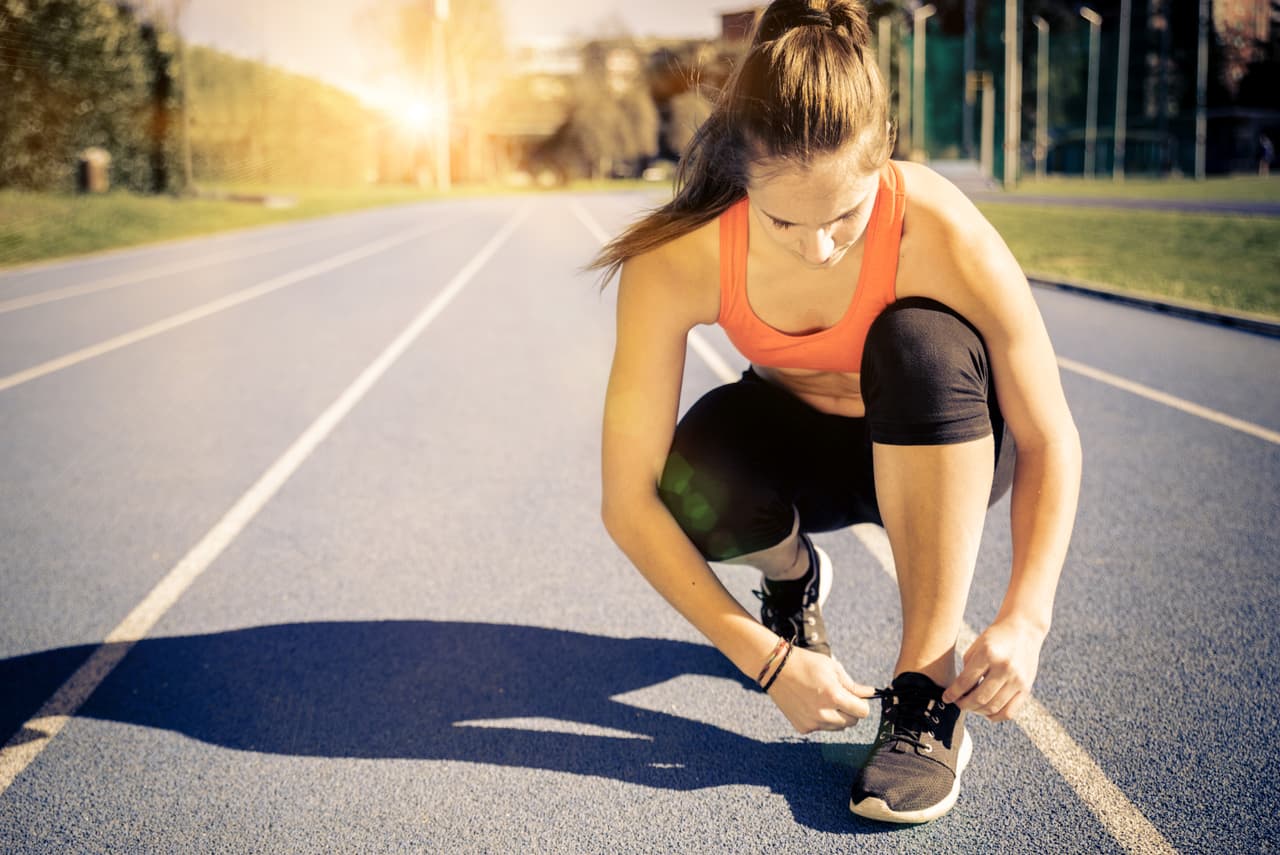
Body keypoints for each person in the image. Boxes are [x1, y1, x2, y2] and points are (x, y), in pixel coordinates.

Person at [590, 0, 1081, 825]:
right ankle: (793, 579)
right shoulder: (679, 258)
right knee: (697, 463)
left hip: (943, 442)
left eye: (846, 216)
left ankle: (927, 693)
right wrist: (768, 660)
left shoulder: (940, 229)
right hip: (808, 461)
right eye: (784, 220)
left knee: (918, 340)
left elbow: (1049, 434)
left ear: (884, 157)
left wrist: (1027, 617)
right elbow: (626, 501)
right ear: (742, 173)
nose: (820, 247)